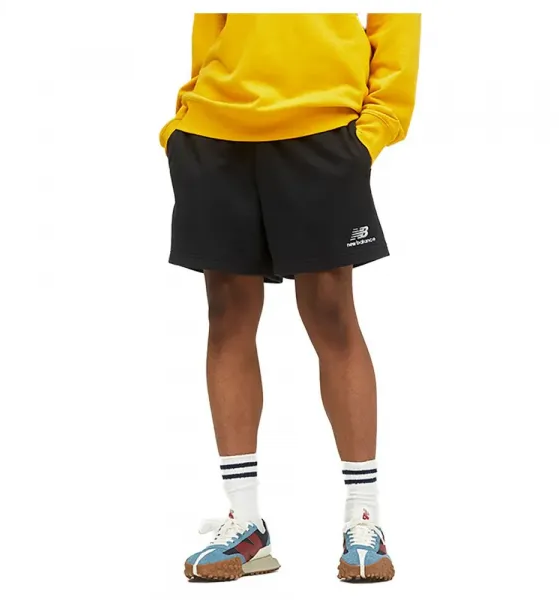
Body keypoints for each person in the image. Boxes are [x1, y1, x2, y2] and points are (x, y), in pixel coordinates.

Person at [159, 13, 420, 582]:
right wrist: (182, 122)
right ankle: (245, 524)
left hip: (323, 129)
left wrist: (375, 128)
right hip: (215, 132)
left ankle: (364, 519)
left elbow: (397, 19)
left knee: (331, 316)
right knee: (227, 318)